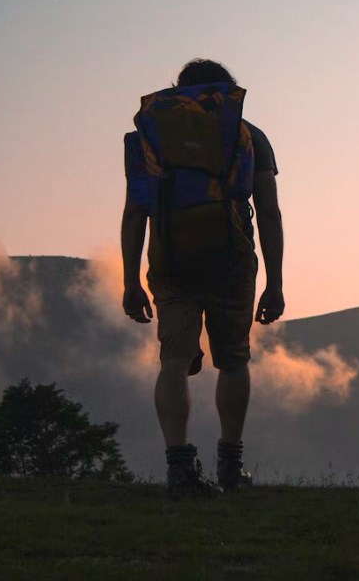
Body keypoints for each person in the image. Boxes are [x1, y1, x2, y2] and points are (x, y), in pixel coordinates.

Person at [121, 59, 285, 497]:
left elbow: (136, 211)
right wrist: (275, 281)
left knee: (173, 363)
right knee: (233, 360)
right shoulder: (247, 135)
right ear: (225, 92)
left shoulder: (153, 137)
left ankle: (180, 470)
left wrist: (130, 280)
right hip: (230, 258)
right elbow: (268, 211)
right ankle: (230, 468)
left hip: (170, 259)